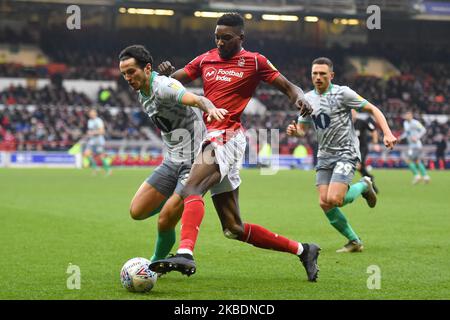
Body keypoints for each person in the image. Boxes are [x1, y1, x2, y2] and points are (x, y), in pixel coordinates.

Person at [150, 13, 320, 282]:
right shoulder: (206, 59)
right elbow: (175, 81)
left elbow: (289, 87)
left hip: (227, 134)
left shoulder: (255, 61)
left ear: (241, 38)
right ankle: (304, 250)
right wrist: (164, 74)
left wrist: (300, 99)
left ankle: (185, 252)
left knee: (192, 186)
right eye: (217, 36)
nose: (220, 42)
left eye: (226, 38)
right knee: (233, 228)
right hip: (214, 134)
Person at [118, 45, 228, 264]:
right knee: (137, 211)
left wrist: (211, 109)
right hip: (171, 161)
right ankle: (175, 197)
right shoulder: (143, 93)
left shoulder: (163, 86)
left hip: (195, 162)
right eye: (124, 74)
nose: (128, 78)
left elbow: (196, 99)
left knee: (165, 219)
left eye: (131, 71)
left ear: (147, 69)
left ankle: (154, 264)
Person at [286, 57, 397, 253]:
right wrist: (296, 131)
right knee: (324, 202)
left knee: (335, 199)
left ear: (331, 75)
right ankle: (354, 241)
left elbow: (372, 108)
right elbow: (303, 129)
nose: (318, 77)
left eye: (322, 73)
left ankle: (364, 185)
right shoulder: (307, 99)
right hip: (324, 155)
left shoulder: (343, 93)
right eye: (315, 73)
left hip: (346, 152)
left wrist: (387, 133)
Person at [398, 111, 430, 184]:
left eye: (408, 115)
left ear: (411, 116)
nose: (406, 116)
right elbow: (407, 133)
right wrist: (400, 137)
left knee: (408, 160)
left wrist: (417, 137)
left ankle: (416, 175)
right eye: (406, 115)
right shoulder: (405, 123)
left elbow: (423, 130)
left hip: (416, 145)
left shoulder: (415, 123)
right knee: (417, 161)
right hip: (411, 145)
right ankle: (425, 176)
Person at [353, 111, 381, 193]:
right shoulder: (346, 123)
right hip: (352, 149)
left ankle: (344, 187)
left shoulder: (361, 121)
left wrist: (375, 143)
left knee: (357, 165)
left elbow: (373, 130)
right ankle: (370, 180)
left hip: (362, 148)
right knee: (361, 169)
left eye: (353, 111)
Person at [83, 109, 111, 176]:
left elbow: (102, 131)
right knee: (87, 153)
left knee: (101, 157)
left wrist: (93, 132)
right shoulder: (89, 121)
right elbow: (90, 131)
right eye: (90, 113)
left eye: (93, 113)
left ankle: (108, 170)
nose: (91, 114)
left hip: (99, 141)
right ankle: (95, 169)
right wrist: (88, 133)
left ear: (95, 113)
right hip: (92, 141)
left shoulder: (98, 121)